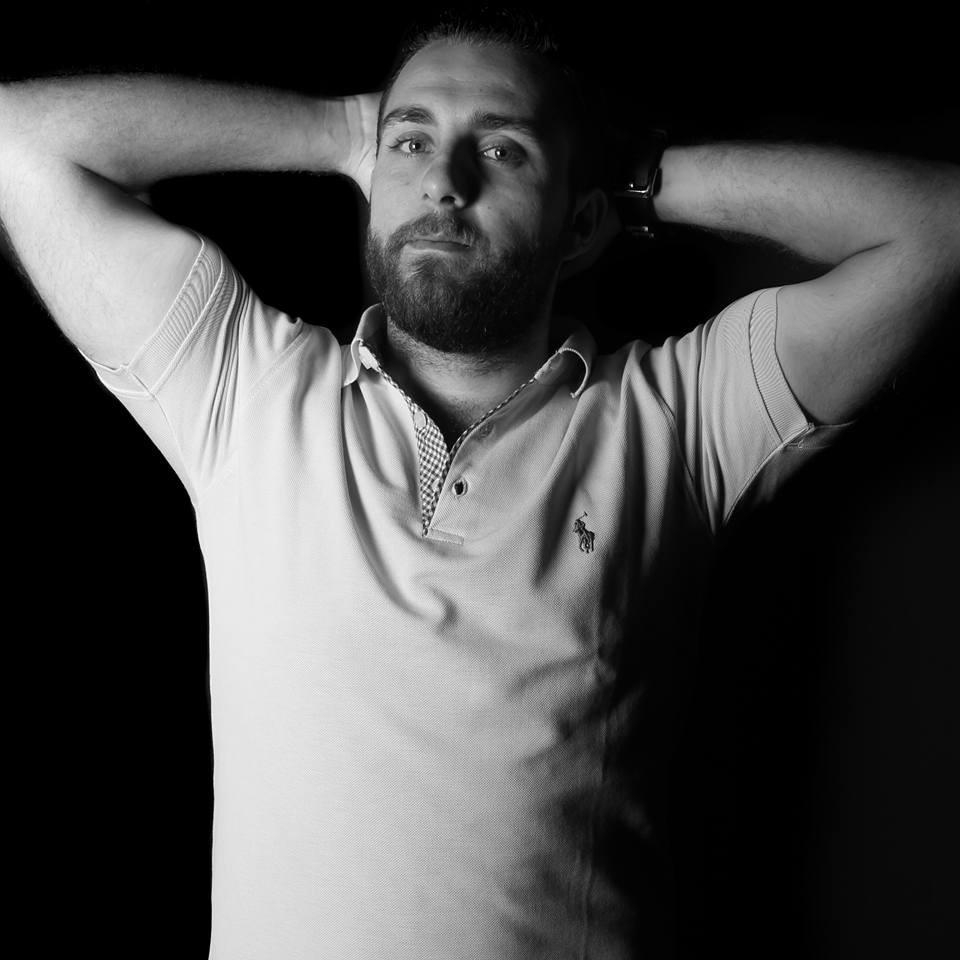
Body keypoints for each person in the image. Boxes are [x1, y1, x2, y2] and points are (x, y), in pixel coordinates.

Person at [1, 6, 957, 959]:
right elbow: (19, 142)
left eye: (502, 152)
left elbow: (939, 226)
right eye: (411, 143)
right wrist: (339, 129)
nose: (444, 183)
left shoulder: (678, 416)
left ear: (581, 224)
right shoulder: (244, 388)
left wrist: (623, 177)